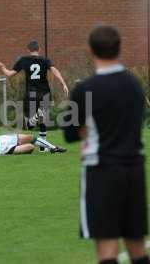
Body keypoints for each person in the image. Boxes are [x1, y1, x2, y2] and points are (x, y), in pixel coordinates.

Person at [63, 25, 149, 264]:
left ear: (90, 50)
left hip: (102, 170)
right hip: (134, 169)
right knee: (137, 247)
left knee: (107, 248)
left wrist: (89, 131)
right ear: (119, 48)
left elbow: (70, 133)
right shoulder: (134, 85)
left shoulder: (84, 90)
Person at [0, 40, 69, 151]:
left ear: (28, 50)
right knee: (42, 118)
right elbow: (55, 71)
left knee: (30, 125)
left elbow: (9, 74)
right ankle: (42, 146)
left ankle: (42, 146)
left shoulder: (24, 60)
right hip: (44, 92)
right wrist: (63, 84)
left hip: (31, 93)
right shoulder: (45, 60)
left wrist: (2, 67)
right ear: (39, 49)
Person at [0, 124, 66, 156]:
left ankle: (53, 148)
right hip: (3, 149)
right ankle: (17, 149)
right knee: (31, 147)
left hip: (1, 139)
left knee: (30, 137)